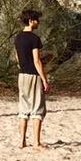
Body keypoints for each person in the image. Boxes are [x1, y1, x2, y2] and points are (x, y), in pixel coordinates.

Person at [15, 9, 49, 150]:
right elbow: (37, 61)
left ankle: (22, 141)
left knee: (23, 109)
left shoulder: (17, 37)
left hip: (22, 75)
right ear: (30, 21)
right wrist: (44, 79)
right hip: (33, 75)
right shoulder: (34, 39)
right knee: (37, 109)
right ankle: (36, 142)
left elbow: (17, 57)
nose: (38, 22)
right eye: (36, 20)